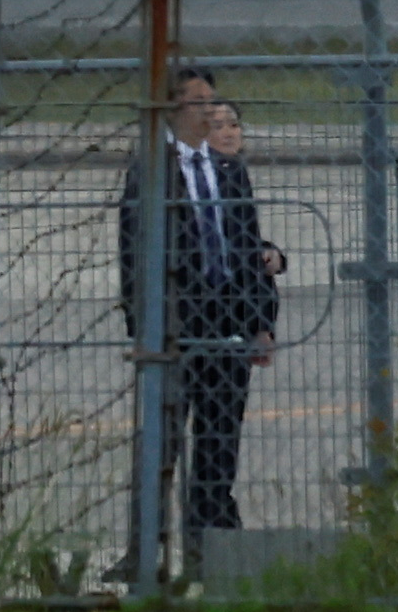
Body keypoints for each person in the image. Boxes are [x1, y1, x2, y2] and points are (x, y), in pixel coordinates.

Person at [114, 67, 279, 554]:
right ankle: (147, 548)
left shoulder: (229, 169)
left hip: (227, 319)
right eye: (198, 102)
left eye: (213, 102)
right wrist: (143, 325)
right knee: (163, 439)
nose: (210, 112)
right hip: (176, 320)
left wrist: (260, 320)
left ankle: (212, 542)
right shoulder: (152, 170)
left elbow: (246, 246)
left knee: (219, 437)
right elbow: (133, 253)